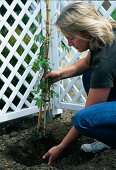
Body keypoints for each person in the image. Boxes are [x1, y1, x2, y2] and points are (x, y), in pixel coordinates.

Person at [43, 1, 116, 165]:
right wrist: (61, 73)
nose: (69, 43)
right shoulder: (106, 33)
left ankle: (111, 141)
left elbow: (89, 113)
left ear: (87, 32)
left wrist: (61, 147)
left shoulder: (105, 62)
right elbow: (87, 63)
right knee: (89, 74)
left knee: (83, 120)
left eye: (71, 37)